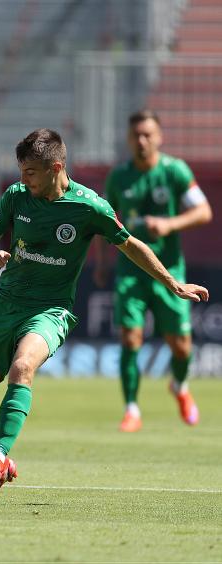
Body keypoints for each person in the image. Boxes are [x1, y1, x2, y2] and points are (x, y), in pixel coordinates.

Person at [0, 128, 208, 503]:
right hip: (4, 306)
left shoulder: (90, 206)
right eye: (21, 171)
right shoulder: (16, 197)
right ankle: (2, 460)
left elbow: (130, 246)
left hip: (50, 310)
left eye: (30, 172)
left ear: (56, 167)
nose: (22, 180)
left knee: (23, 366)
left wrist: (173, 282)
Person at [94, 110, 212, 432]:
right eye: (136, 136)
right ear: (129, 139)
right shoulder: (119, 178)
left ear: (159, 137)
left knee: (181, 346)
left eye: (148, 134)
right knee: (130, 337)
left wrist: (169, 224)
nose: (142, 141)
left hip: (170, 269)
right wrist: (102, 264)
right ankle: (131, 409)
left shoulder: (174, 171)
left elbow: (204, 211)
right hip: (130, 271)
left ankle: (180, 386)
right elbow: (104, 222)